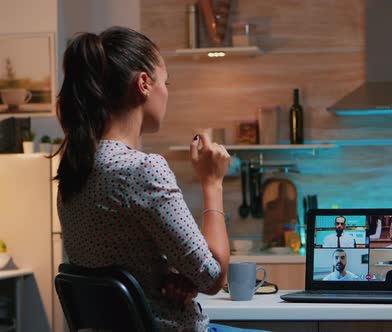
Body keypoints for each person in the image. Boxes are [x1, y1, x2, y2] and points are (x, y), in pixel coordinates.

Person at [54, 26, 255, 332]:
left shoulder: (76, 168)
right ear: (144, 84)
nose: (167, 92)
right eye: (166, 82)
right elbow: (213, 277)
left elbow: (119, 260)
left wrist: (171, 273)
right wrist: (211, 182)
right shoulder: (143, 170)